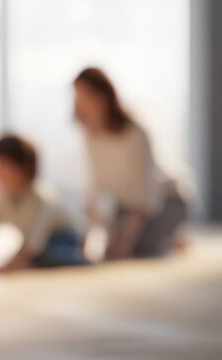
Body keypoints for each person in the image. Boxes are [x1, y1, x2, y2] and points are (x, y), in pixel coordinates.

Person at [74, 67, 188, 260]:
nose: (80, 104)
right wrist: (91, 230)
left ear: (103, 96)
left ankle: (169, 238)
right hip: (125, 208)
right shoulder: (90, 135)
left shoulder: (135, 132)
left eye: (85, 96)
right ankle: (164, 238)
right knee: (105, 244)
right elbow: (96, 186)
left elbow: (145, 195)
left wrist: (124, 244)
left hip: (165, 202)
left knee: (136, 248)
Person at [0, 134, 86, 272]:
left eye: (2, 165)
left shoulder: (41, 197)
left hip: (60, 245)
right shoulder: (3, 198)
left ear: (21, 168)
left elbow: (33, 248)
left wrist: (1, 268)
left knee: (47, 256)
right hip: (34, 251)